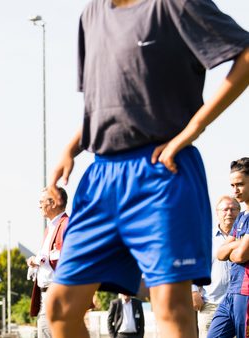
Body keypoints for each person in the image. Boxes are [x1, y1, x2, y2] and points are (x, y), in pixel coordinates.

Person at [47, 0, 249, 336]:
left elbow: (245, 55)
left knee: (170, 307)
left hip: (161, 173)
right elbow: (106, 103)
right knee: (60, 310)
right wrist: (71, 147)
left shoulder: (175, 4)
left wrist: (193, 128)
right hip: (100, 177)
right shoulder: (92, 15)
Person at [210, 158, 249, 338]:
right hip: (231, 293)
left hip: (246, 293)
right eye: (232, 185)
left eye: (240, 184)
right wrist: (238, 243)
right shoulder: (241, 217)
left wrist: (233, 247)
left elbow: (240, 255)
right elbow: (220, 253)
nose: (235, 190)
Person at [195, 195, 240, 338]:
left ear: (240, 212)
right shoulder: (205, 238)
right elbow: (195, 265)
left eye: (233, 209)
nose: (229, 213)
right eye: (225, 209)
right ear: (217, 212)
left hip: (242, 304)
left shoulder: (245, 237)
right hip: (211, 304)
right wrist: (193, 291)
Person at [27, 187, 69, 338]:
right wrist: (36, 262)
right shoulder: (49, 229)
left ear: (54, 203)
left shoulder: (66, 225)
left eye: (41, 202)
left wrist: (41, 259)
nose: (39, 206)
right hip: (47, 295)